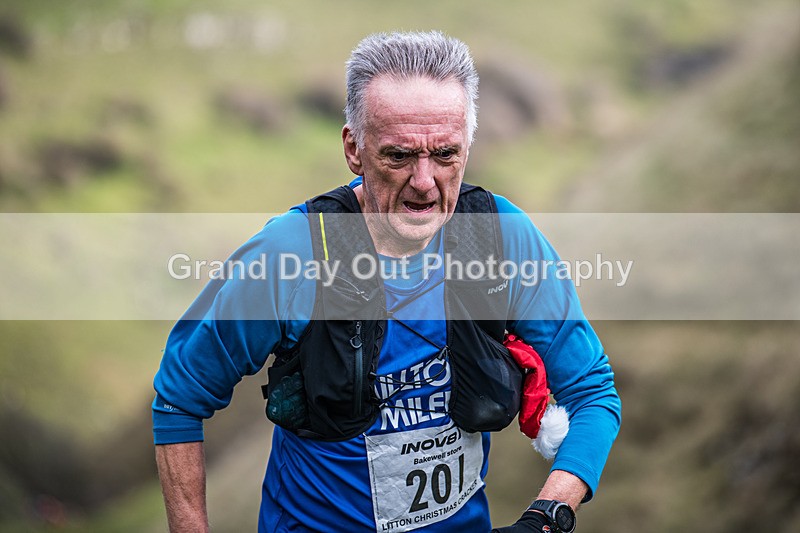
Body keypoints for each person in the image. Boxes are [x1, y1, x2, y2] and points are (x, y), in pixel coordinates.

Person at [153, 31, 621, 533]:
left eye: (445, 155)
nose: (424, 182)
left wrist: (547, 516)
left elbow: (593, 393)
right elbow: (180, 398)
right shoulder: (289, 255)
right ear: (354, 149)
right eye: (398, 156)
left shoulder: (502, 240)